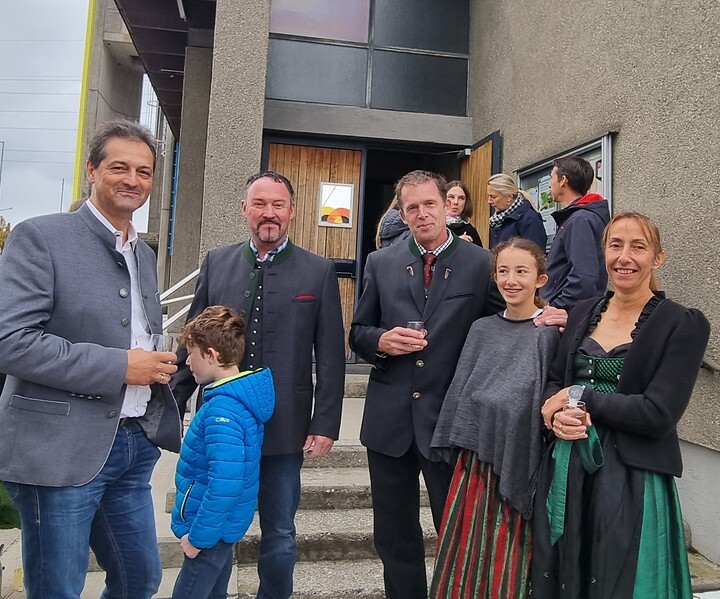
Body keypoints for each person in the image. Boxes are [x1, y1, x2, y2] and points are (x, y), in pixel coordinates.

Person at [0, 120, 180, 599]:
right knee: (58, 589)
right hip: (59, 450)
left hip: (132, 444)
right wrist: (120, 367)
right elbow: (7, 343)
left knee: (140, 580)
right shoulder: (40, 237)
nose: (132, 180)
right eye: (119, 167)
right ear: (91, 170)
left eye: (144, 172)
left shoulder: (142, 253)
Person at [171, 170, 346, 599]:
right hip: (222, 426)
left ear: (292, 211)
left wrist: (325, 423)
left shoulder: (319, 270)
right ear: (244, 209)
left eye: (278, 205)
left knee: (280, 530)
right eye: (260, 204)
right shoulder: (217, 262)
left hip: (285, 425)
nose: (270, 213)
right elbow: (193, 340)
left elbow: (330, 355)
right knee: (214, 525)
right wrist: (170, 403)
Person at [350, 170, 512, 598]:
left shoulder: (481, 263)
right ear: (402, 213)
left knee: (457, 533)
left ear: (447, 206)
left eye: (429, 204)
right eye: (412, 207)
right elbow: (358, 330)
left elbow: (507, 321)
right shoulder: (381, 262)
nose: (422, 213)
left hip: (451, 422)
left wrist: (542, 315)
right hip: (389, 424)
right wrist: (380, 341)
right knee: (393, 536)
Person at [532, 212, 709, 599]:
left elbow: (658, 414)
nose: (624, 257)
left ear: (657, 258)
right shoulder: (583, 312)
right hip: (569, 468)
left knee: (620, 581)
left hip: (633, 477)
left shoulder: (682, 323)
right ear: (604, 252)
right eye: (615, 245)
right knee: (565, 575)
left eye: (638, 247)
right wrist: (554, 414)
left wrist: (581, 397)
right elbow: (556, 383)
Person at [429, 238, 561, 599]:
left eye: (521, 271)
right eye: (503, 271)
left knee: (507, 552)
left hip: (516, 455)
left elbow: (541, 398)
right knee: (464, 548)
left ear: (540, 279)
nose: (511, 280)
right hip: (474, 463)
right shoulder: (481, 329)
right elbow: (461, 392)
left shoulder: (549, 335)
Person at [170, 306, 275, 599]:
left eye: (191, 353)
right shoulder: (233, 401)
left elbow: (224, 484)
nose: (186, 361)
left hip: (209, 533)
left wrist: (199, 538)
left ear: (211, 355)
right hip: (218, 529)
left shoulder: (223, 410)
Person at [540, 156, 611, 309]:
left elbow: (583, 277)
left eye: (552, 177)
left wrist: (557, 307)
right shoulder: (579, 217)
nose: (550, 184)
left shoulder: (580, 220)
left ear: (563, 180)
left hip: (564, 314)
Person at [487, 173, 548, 251]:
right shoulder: (497, 222)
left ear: (509, 197)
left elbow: (535, 253)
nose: (489, 201)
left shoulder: (529, 219)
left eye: (493, 197)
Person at [444, 180, 483, 247]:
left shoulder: (470, 231)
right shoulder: (433, 225)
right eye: (451, 197)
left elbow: (480, 253)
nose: (456, 202)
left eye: (461, 198)